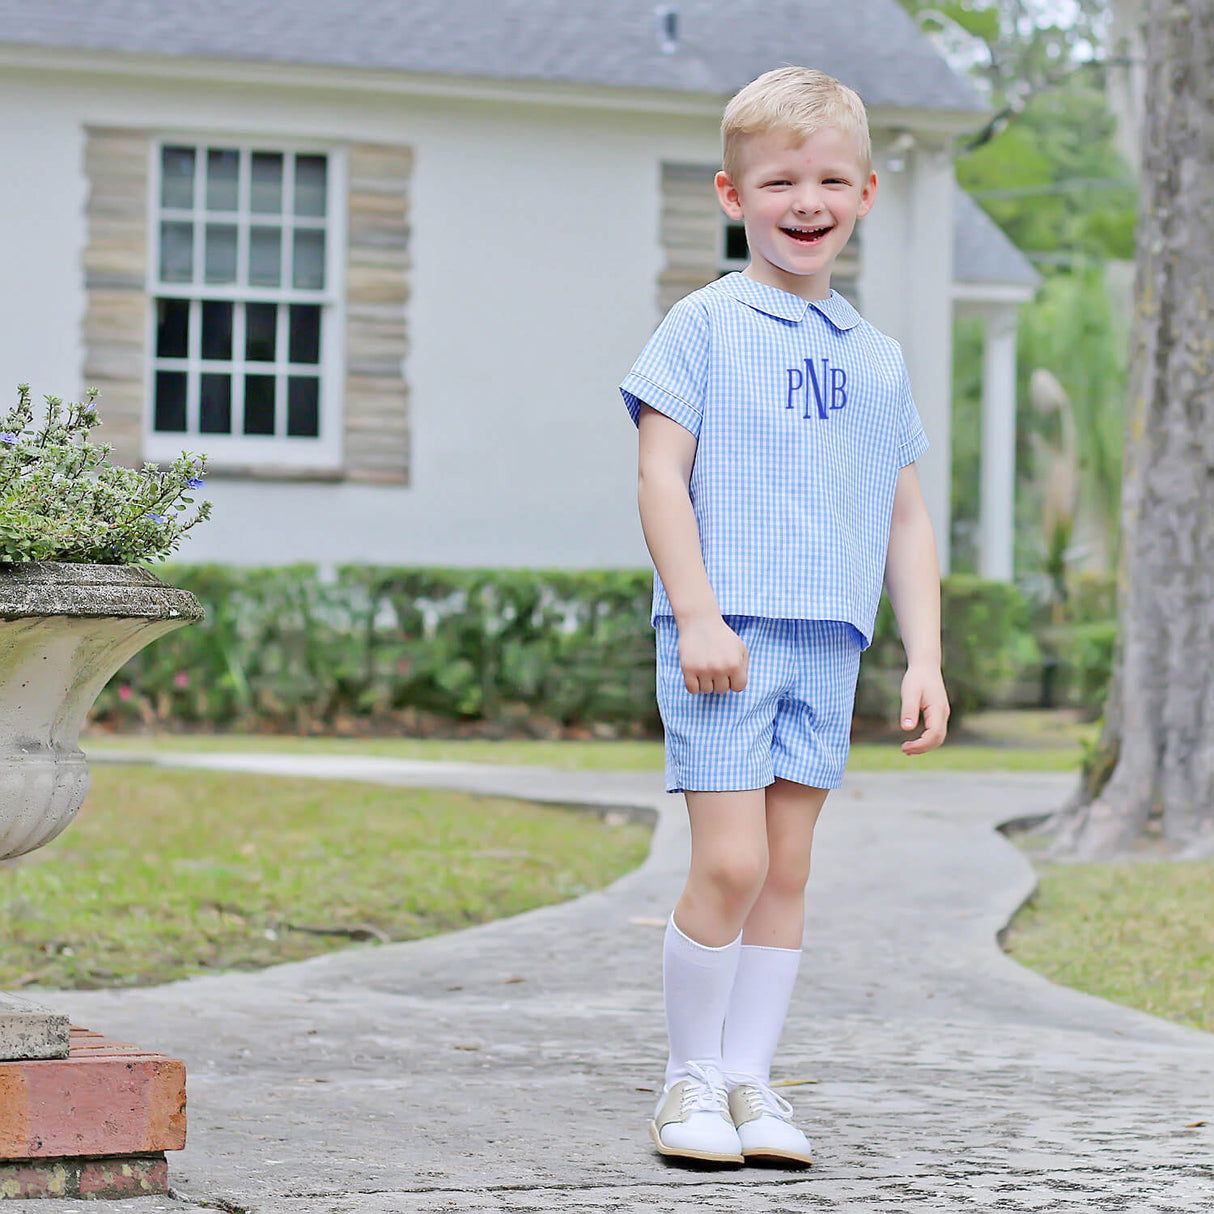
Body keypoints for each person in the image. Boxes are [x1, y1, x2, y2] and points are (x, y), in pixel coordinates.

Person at [619, 65, 950, 1167]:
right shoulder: (703, 324)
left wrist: (923, 655)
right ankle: (685, 1079)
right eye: (776, 181)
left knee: (789, 867)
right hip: (725, 638)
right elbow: (659, 477)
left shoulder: (876, 356)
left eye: (825, 180)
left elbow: (904, 518)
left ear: (862, 194)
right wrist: (699, 613)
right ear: (731, 195)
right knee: (727, 863)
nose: (802, 200)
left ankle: (751, 1080)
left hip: (826, 642)